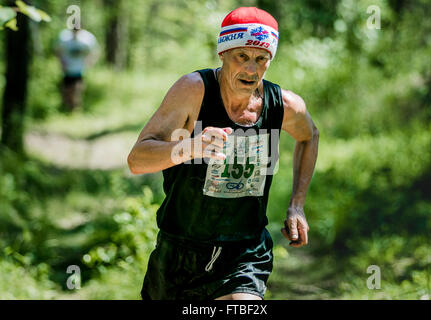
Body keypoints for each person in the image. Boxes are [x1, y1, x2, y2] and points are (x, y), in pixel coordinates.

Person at [127, 7, 319, 300]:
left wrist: (297, 204)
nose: (251, 69)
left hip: (244, 252)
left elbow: (310, 136)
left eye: (261, 59)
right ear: (223, 54)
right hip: (180, 250)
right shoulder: (193, 91)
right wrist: (189, 147)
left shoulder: (283, 105)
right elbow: (137, 159)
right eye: (242, 56)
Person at [54, 27, 99, 112]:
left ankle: (76, 109)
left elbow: (95, 51)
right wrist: (61, 63)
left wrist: (89, 62)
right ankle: (68, 108)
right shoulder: (64, 37)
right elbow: (58, 50)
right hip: (68, 70)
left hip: (80, 70)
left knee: (77, 90)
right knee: (67, 91)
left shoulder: (87, 38)